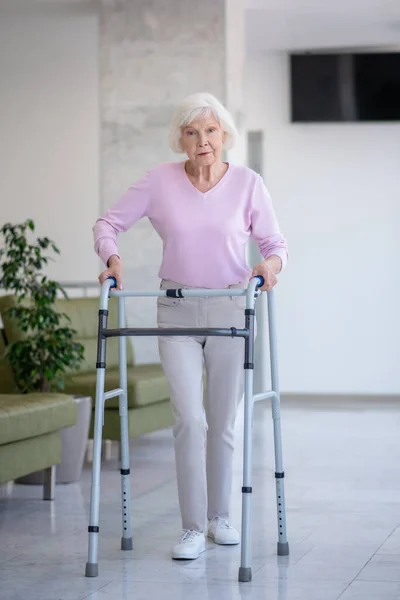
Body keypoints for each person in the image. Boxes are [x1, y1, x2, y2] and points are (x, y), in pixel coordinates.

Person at [93, 92, 288, 561]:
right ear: (180, 139)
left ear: (224, 135)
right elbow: (107, 223)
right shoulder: (159, 181)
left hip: (229, 306)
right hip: (176, 309)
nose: (203, 140)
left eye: (211, 130)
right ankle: (192, 528)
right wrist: (112, 258)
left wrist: (268, 267)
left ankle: (221, 518)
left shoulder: (247, 183)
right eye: (192, 131)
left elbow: (275, 243)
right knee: (189, 419)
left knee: (222, 421)